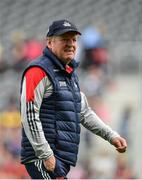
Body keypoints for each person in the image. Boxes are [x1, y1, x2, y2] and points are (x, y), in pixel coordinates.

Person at [20, 19, 127, 179]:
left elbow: (84, 113)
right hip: (43, 157)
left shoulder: (70, 75)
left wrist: (111, 136)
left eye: (74, 39)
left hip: (60, 157)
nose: (70, 44)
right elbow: (29, 115)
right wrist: (45, 154)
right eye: (64, 39)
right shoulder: (38, 71)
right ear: (49, 42)